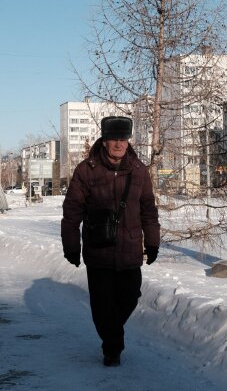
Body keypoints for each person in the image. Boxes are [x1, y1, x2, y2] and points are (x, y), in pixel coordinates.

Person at [61, 116, 160, 367]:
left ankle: (112, 334)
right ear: (104, 141)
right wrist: (71, 245)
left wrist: (153, 242)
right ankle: (113, 348)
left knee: (130, 296)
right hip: (98, 250)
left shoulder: (138, 170)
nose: (119, 144)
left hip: (129, 250)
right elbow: (72, 211)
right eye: (114, 139)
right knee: (102, 304)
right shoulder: (86, 170)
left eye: (123, 139)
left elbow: (148, 209)